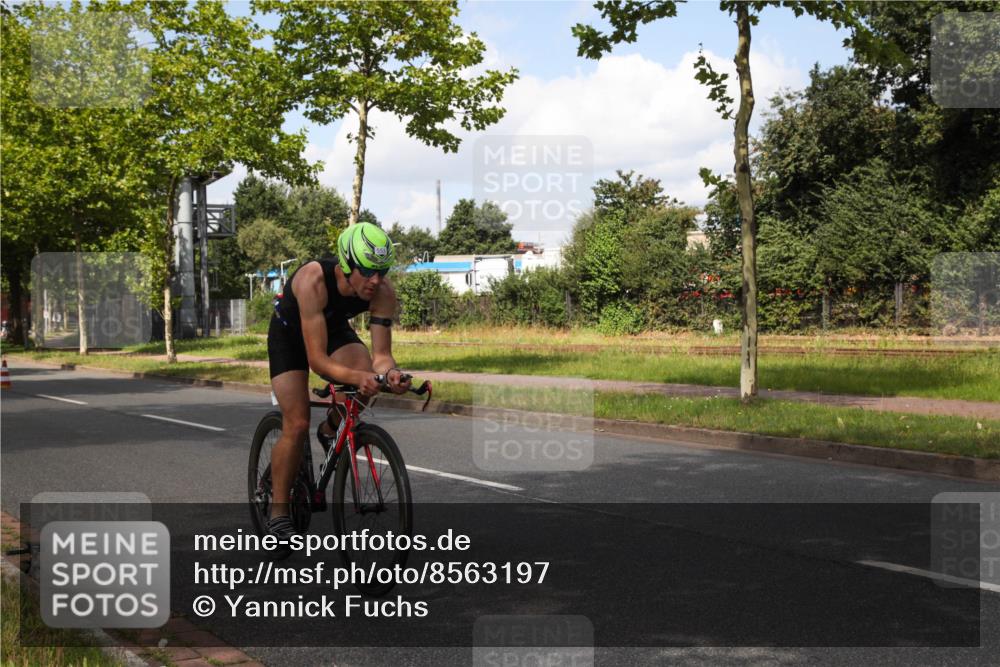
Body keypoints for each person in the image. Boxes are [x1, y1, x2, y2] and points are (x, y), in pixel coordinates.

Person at [266, 222, 411, 549]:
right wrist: (362, 378)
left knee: (367, 375)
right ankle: (278, 515)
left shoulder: (383, 293)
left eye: (382, 271)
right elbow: (317, 361)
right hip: (289, 336)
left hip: (330, 329)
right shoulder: (312, 280)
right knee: (297, 422)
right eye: (368, 272)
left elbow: (382, 357)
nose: (376, 281)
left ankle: (332, 428)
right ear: (347, 265)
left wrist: (391, 375)